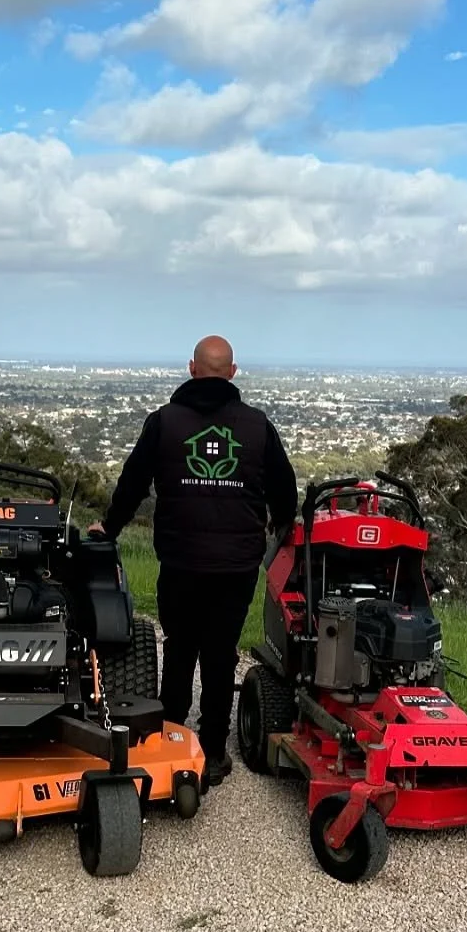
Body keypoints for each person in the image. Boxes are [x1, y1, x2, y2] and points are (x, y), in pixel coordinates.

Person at [89, 335, 297, 786]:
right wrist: (279, 530)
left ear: (191, 368)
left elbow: (132, 484)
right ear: (233, 373)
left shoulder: (164, 423)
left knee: (180, 650)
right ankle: (215, 752)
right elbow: (285, 492)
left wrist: (110, 527)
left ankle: (173, 740)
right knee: (221, 656)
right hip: (237, 567)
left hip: (181, 563)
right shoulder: (258, 426)